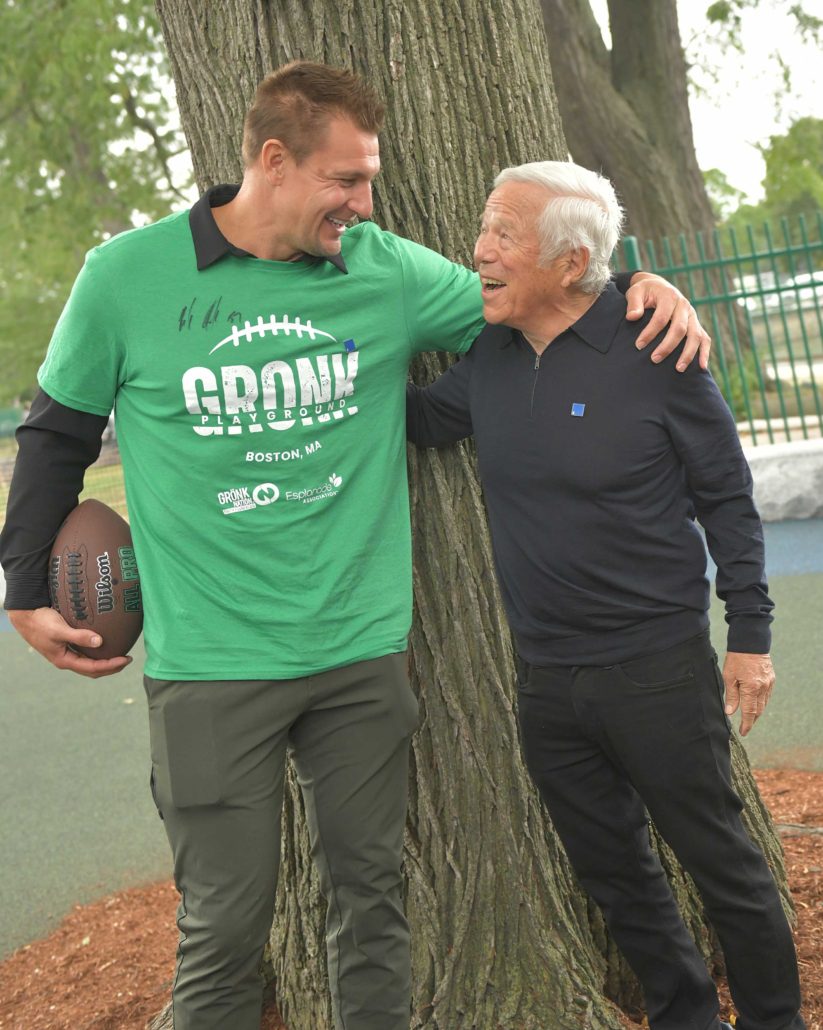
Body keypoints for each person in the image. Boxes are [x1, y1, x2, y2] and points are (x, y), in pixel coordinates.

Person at [1, 64, 708, 1030]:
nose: (363, 204)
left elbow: (540, 308)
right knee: (223, 933)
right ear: (274, 161)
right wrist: (22, 585)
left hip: (361, 654)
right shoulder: (125, 277)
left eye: (368, 180)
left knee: (371, 906)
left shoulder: (385, 270)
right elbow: (57, 435)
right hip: (210, 662)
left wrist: (639, 292)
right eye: (345, 180)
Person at [406, 159, 805, 1030]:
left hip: (655, 671)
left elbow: (727, 498)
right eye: (484, 228)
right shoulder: (491, 355)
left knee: (723, 869)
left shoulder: (658, 350)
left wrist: (750, 636)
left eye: (503, 234)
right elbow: (422, 421)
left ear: (570, 264)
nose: (479, 250)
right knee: (616, 877)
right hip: (545, 681)